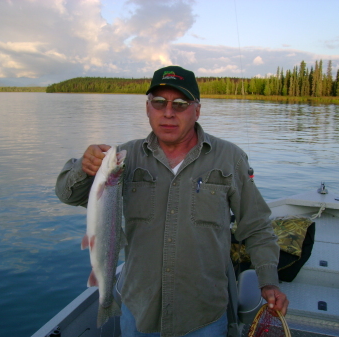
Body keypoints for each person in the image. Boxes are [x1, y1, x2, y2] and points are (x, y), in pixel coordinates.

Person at [55, 65, 289, 337]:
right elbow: (67, 195)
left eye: (180, 103)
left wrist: (269, 281)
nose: (168, 112)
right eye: (159, 102)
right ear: (147, 108)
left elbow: (257, 225)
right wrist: (84, 168)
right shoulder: (123, 158)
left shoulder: (230, 158)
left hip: (204, 317)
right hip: (139, 312)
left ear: (197, 110)